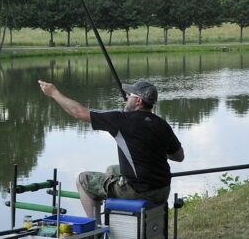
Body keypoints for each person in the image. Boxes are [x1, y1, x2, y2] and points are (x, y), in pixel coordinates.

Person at [38, 78, 184, 220]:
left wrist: (53, 93)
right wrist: (154, 150)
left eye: (130, 95)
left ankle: (94, 232)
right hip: (163, 189)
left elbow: (78, 112)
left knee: (83, 180)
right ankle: (118, 220)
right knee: (112, 170)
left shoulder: (121, 120)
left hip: (138, 191)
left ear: (139, 101)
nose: (126, 96)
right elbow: (179, 157)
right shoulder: (162, 125)